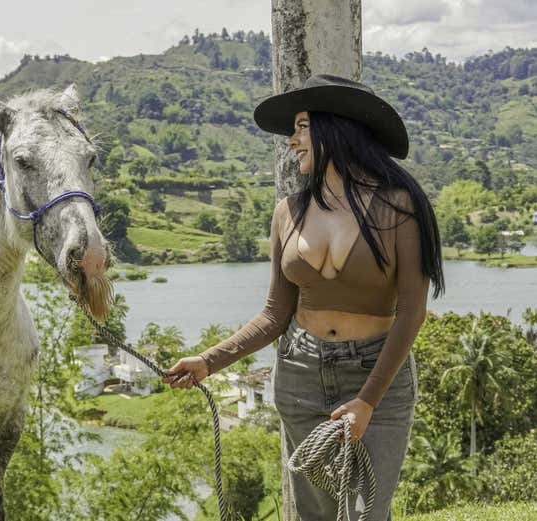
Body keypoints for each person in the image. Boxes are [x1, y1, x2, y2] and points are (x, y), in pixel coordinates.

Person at [162, 74, 445, 521]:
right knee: (316, 514)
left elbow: (412, 311)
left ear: (337, 126)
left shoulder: (400, 206)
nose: (291, 141)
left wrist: (367, 400)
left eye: (301, 127)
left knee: (364, 513)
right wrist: (208, 361)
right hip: (300, 374)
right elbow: (276, 314)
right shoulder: (287, 213)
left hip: (378, 376)